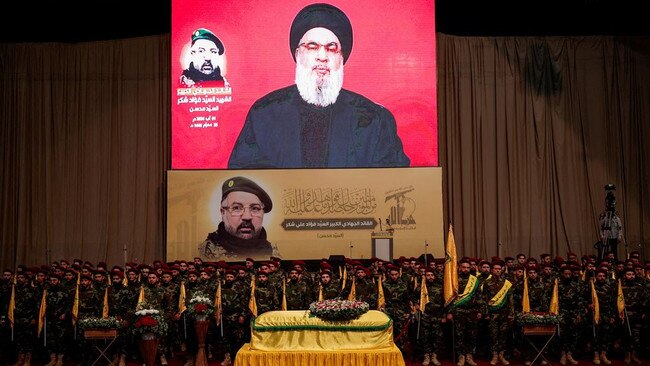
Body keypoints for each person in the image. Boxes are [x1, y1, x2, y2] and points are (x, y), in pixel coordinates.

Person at [228, 3, 410, 169]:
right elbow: (244, 185)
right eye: (313, 46)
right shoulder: (264, 114)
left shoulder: (374, 120)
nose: (322, 56)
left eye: (331, 48)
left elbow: (392, 187)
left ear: (341, 59)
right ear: (298, 55)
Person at [198, 176, 280, 260]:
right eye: (236, 208)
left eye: (255, 208)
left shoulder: (274, 253)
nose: (247, 217)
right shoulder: (205, 253)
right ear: (223, 212)